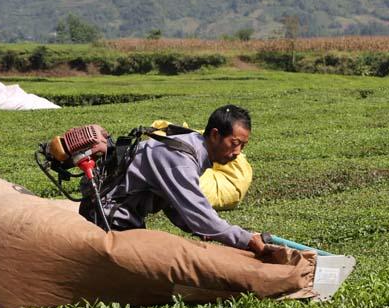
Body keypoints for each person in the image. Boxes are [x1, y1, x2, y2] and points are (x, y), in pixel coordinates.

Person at [83, 105, 269, 255]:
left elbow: (173, 204)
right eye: (235, 143)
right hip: (106, 215)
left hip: (125, 214)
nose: (238, 153)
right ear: (215, 135)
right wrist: (246, 239)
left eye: (243, 146)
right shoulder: (182, 160)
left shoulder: (192, 145)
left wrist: (198, 228)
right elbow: (197, 212)